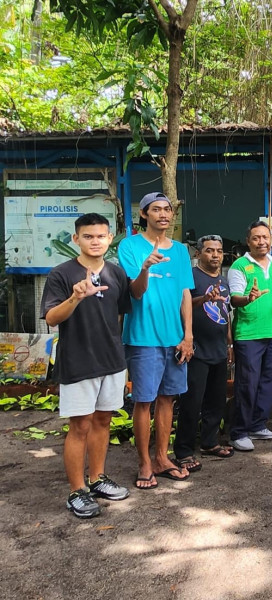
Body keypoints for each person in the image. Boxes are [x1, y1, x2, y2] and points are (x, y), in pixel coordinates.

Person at [42, 213, 131, 517]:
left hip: (112, 360)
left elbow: (118, 315)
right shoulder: (61, 274)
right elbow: (52, 318)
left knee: (103, 421)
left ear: (110, 239)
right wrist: (76, 297)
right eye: (88, 236)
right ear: (76, 239)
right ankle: (77, 491)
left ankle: (97, 479)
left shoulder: (116, 274)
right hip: (78, 361)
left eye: (101, 236)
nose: (95, 241)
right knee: (79, 425)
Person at [119, 192, 194, 487]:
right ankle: (145, 463)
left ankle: (162, 458)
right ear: (144, 214)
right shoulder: (130, 246)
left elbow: (185, 293)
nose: (163, 214)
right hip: (143, 337)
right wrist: (146, 267)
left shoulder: (180, 251)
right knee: (143, 401)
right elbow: (135, 292)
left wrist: (187, 335)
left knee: (167, 399)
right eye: (156, 209)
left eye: (167, 209)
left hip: (174, 338)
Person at [173, 235, 235, 469]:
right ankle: (184, 451)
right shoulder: (190, 277)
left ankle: (210, 442)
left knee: (216, 400)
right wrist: (204, 298)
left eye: (219, 251)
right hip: (195, 350)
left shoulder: (223, 279)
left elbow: (224, 312)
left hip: (218, 349)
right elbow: (184, 306)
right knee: (192, 402)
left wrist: (229, 343)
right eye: (209, 251)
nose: (216, 255)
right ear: (198, 254)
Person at [227, 221, 272, 451]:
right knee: (247, 384)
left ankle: (258, 425)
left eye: (265, 237)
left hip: (271, 331)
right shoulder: (239, 266)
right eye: (256, 238)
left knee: (270, 382)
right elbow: (233, 299)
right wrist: (248, 298)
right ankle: (239, 431)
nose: (262, 241)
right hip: (248, 334)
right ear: (248, 241)